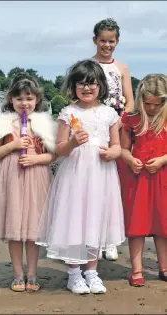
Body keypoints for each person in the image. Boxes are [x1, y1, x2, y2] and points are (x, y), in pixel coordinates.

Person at [36, 59, 125, 294]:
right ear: (73, 86)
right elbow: (60, 149)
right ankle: (74, 273)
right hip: (75, 173)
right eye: (81, 84)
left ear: (101, 86)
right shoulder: (68, 113)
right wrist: (74, 142)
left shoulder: (109, 114)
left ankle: (92, 271)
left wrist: (112, 153)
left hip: (101, 173)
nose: (87, 88)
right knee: (74, 218)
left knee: (96, 218)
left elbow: (117, 146)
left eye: (92, 83)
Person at [0, 72, 57, 292]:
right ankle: (17, 274)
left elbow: (53, 155)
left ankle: (32, 273)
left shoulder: (43, 124)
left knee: (33, 229)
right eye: (19, 98)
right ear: (11, 99)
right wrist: (12, 146)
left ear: (37, 100)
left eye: (29, 98)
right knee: (14, 226)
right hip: (10, 176)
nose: (24, 103)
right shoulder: (2, 124)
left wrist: (36, 158)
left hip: (36, 176)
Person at [92, 18, 135, 261]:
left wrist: (118, 124)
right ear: (95, 40)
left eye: (111, 41)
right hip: (95, 128)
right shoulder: (87, 65)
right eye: (103, 41)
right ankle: (95, 237)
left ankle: (111, 238)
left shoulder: (123, 68)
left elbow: (129, 100)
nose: (107, 45)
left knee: (115, 186)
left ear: (117, 42)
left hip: (117, 127)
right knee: (96, 185)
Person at [120, 74, 167, 286]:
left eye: (157, 104)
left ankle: (164, 268)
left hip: (163, 177)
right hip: (137, 178)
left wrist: (163, 160)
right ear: (141, 99)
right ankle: (137, 270)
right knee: (136, 225)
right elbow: (122, 149)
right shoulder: (131, 119)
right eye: (147, 103)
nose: (152, 108)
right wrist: (130, 160)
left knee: (163, 224)